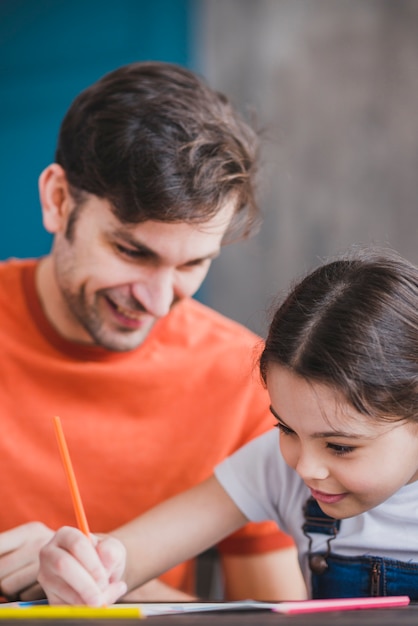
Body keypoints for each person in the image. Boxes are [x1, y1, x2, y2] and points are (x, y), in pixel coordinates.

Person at [0, 61, 306, 603]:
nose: (158, 302)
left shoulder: (245, 377)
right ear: (58, 201)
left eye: (192, 265)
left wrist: (95, 580)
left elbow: (266, 617)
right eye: (131, 251)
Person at [38, 247, 418, 604]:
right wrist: (91, 566)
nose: (305, 467)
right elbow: (132, 553)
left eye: (339, 446)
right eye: (286, 429)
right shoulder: (277, 465)